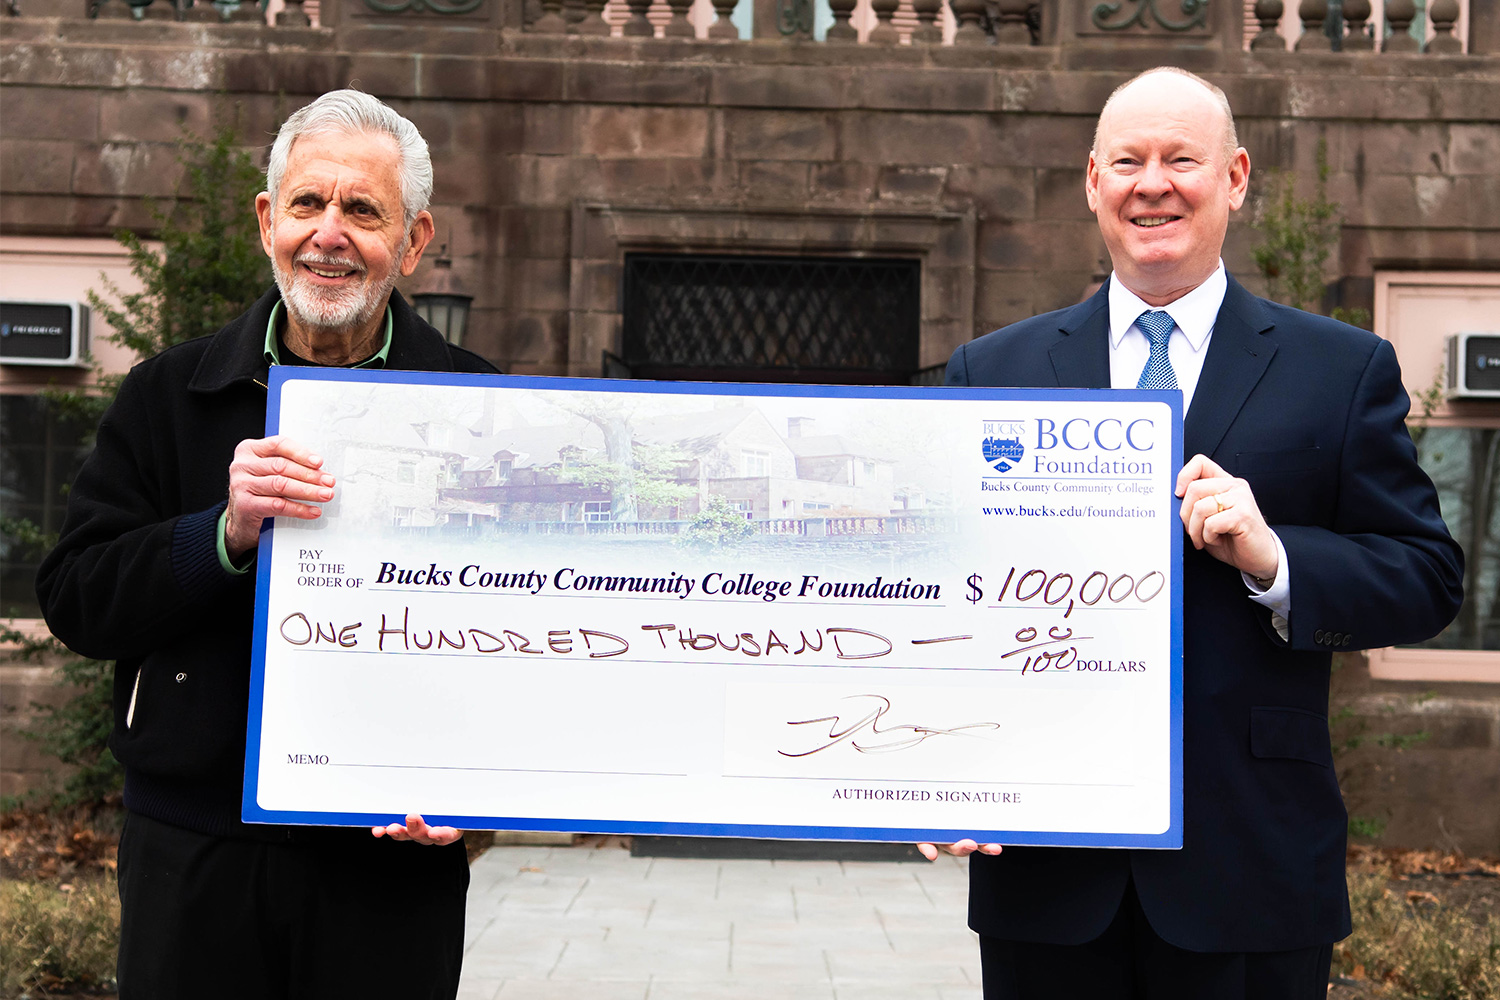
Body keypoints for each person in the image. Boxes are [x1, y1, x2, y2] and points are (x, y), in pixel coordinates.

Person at [932, 67, 1463, 999]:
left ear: (1236, 177)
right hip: (1048, 870)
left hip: (1251, 866)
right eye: (1128, 161)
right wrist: (945, 764)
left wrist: (1277, 557)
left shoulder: (1341, 369)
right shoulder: (994, 369)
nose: (1153, 183)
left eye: (1182, 159)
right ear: (1092, 181)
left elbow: (1426, 577)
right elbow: (943, 591)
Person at [36, 89, 497, 999]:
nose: (330, 233)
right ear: (267, 221)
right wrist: (223, 533)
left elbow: (524, 635)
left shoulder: (484, 409)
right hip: (193, 852)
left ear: (413, 240)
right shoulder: (170, 396)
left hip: (387, 866)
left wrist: (479, 800)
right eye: (307, 203)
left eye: (363, 210)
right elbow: (76, 599)